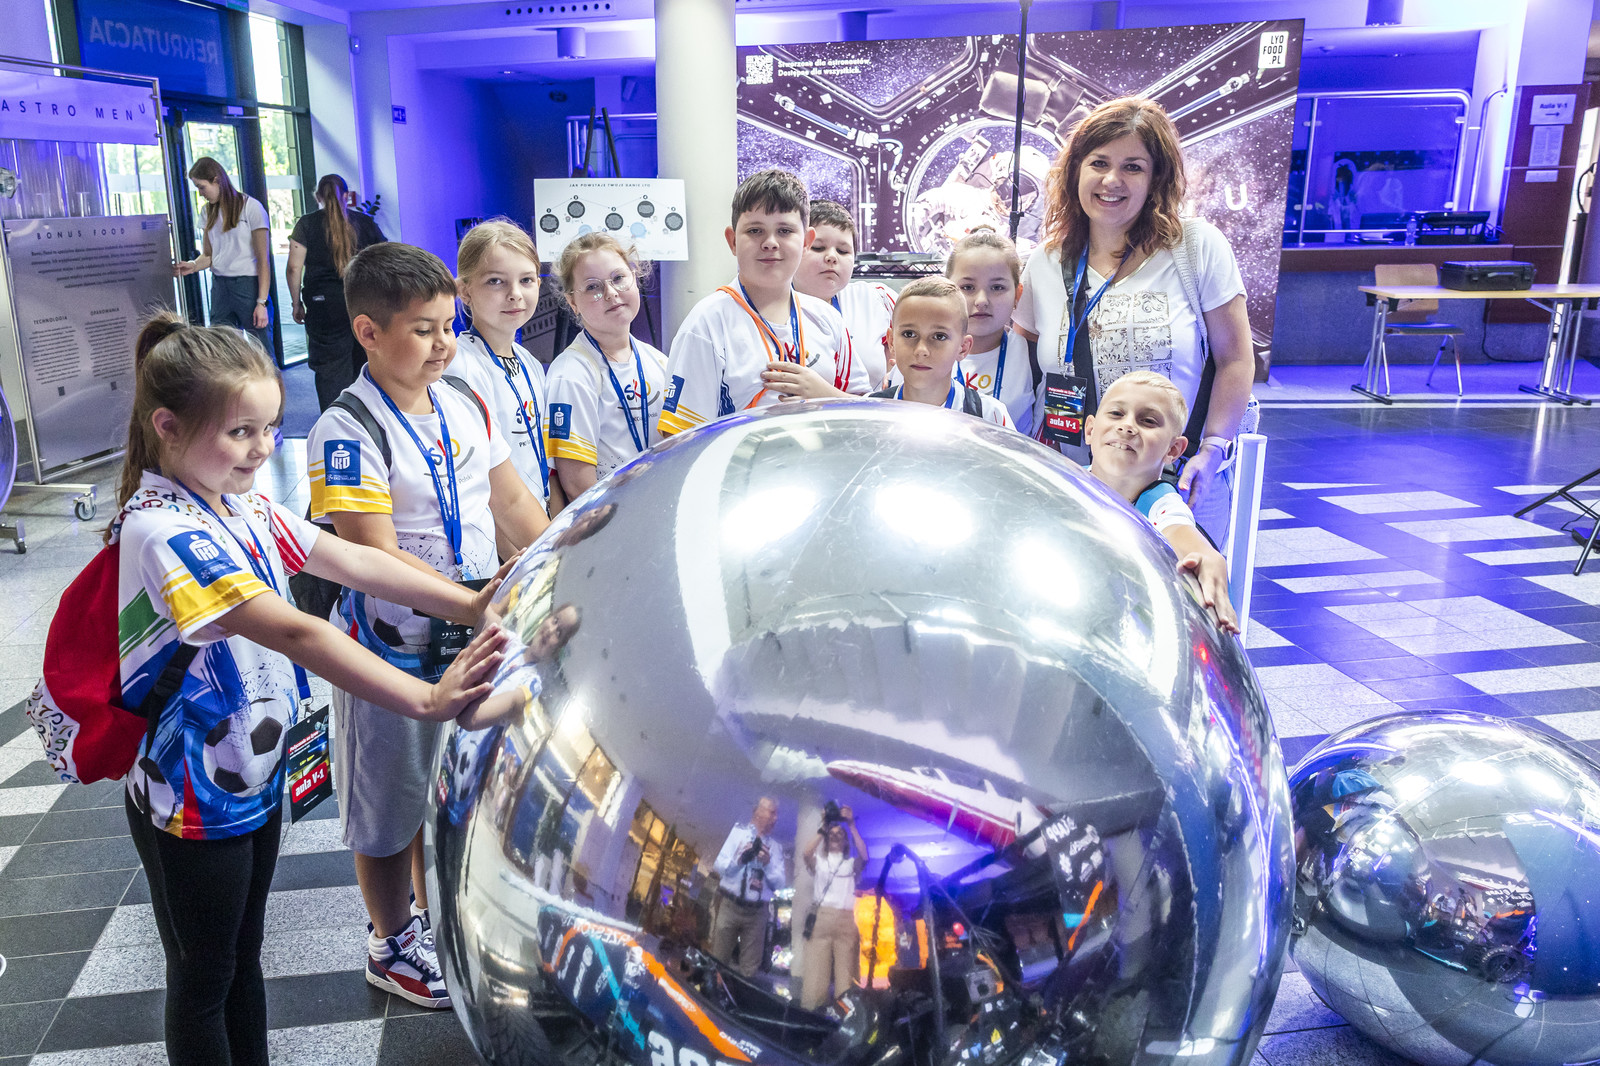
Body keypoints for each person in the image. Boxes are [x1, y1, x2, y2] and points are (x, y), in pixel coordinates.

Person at [111, 313, 510, 1065]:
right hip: (189, 794)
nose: (263, 448)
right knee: (204, 976)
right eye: (240, 433)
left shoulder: (240, 504)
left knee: (242, 959)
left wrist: (471, 604)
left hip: (250, 773)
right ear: (167, 427)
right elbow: (297, 633)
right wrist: (426, 700)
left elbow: (351, 561)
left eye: (268, 428)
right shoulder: (162, 531)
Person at [307, 242, 552, 1009]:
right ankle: (391, 941)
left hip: (472, 636)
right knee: (388, 807)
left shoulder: (463, 400)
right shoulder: (346, 430)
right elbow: (371, 554)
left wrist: (557, 561)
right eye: (423, 330)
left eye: (448, 326)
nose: (445, 344)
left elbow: (511, 502)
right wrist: (468, 603)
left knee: (455, 788)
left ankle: (439, 914)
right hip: (393, 649)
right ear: (369, 332)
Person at [1012, 96, 1254, 545]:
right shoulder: (1046, 261)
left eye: (1133, 167)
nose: (1112, 180)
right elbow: (1023, 359)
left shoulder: (1195, 247)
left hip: (1176, 479)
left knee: (1181, 579)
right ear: (1075, 171)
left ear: (1155, 178)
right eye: (1099, 162)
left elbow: (1236, 358)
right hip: (1073, 478)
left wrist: (1213, 448)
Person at [658, 168, 869, 436]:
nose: (770, 243)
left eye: (784, 230)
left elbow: (864, 410)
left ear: (806, 241)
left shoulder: (826, 318)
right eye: (755, 230)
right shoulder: (708, 324)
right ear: (733, 241)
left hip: (824, 460)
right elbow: (680, 437)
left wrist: (825, 396)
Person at [1084, 371, 1237, 633]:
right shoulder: (1064, 478)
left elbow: (1180, 531)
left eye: (1148, 421)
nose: (1127, 426)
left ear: (1173, 450)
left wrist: (1205, 558)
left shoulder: (1160, 504)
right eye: (1116, 414)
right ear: (1090, 429)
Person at [545, 232, 668, 502]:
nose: (611, 293)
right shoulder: (571, 374)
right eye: (593, 287)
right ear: (572, 302)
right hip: (609, 517)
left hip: (658, 505)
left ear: (634, 277)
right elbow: (578, 486)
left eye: (618, 278)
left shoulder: (659, 362)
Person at [450, 219, 560, 517]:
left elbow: (544, 461)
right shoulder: (460, 369)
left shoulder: (529, 362)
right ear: (464, 291)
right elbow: (490, 490)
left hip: (537, 522)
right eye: (496, 281)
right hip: (502, 532)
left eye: (526, 280)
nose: (515, 294)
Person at [287, 174, 387, 411]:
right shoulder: (365, 223)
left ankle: (335, 422)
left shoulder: (306, 224)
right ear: (346, 196)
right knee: (365, 364)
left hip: (323, 307)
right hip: (361, 303)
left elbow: (293, 268)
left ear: (318, 197)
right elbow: (385, 258)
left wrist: (296, 303)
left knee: (329, 370)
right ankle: (367, 418)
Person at [870, 277, 1013, 428]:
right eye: (909, 334)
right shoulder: (868, 411)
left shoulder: (990, 416)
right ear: (891, 341)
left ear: (963, 347)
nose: (921, 350)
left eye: (939, 336)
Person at [793, 200, 897, 388]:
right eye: (818, 247)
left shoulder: (877, 298)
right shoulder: (773, 310)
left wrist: (899, 373)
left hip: (875, 407)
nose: (832, 257)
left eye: (843, 251)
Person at [174, 157, 273, 351]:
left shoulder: (251, 207)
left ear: (217, 180)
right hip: (220, 287)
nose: (200, 193)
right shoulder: (207, 212)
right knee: (222, 349)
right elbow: (209, 255)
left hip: (248, 286)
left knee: (262, 351)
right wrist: (192, 266)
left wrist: (261, 303)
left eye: (202, 187)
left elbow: (263, 260)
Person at [711, 796, 788, 977]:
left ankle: (741, 993)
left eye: (776, 814)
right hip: (730, 906)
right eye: (772, 812)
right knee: (717, 960)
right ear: (757, 811)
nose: (775, 818)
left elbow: (780, 884)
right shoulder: (736, 834)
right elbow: (718, 866)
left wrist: (767, 863)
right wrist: (739, 860)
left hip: (757, 914)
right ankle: (712, 989)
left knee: (750, 969)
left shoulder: (775, 848)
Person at [800, 804, 868, 1010]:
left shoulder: (850, 864)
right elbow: (806, 852)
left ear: (846, 841)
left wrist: (851, 825)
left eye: (840, 834)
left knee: (846, 977)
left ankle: (846, 1017)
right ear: (827, 839)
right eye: (832, 834)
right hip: (822, 917)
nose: (836, 836)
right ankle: (812, 1014)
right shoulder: (820, 862)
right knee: (815, 974)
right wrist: (824, 826)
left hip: (846, 920)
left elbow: (865, 856)